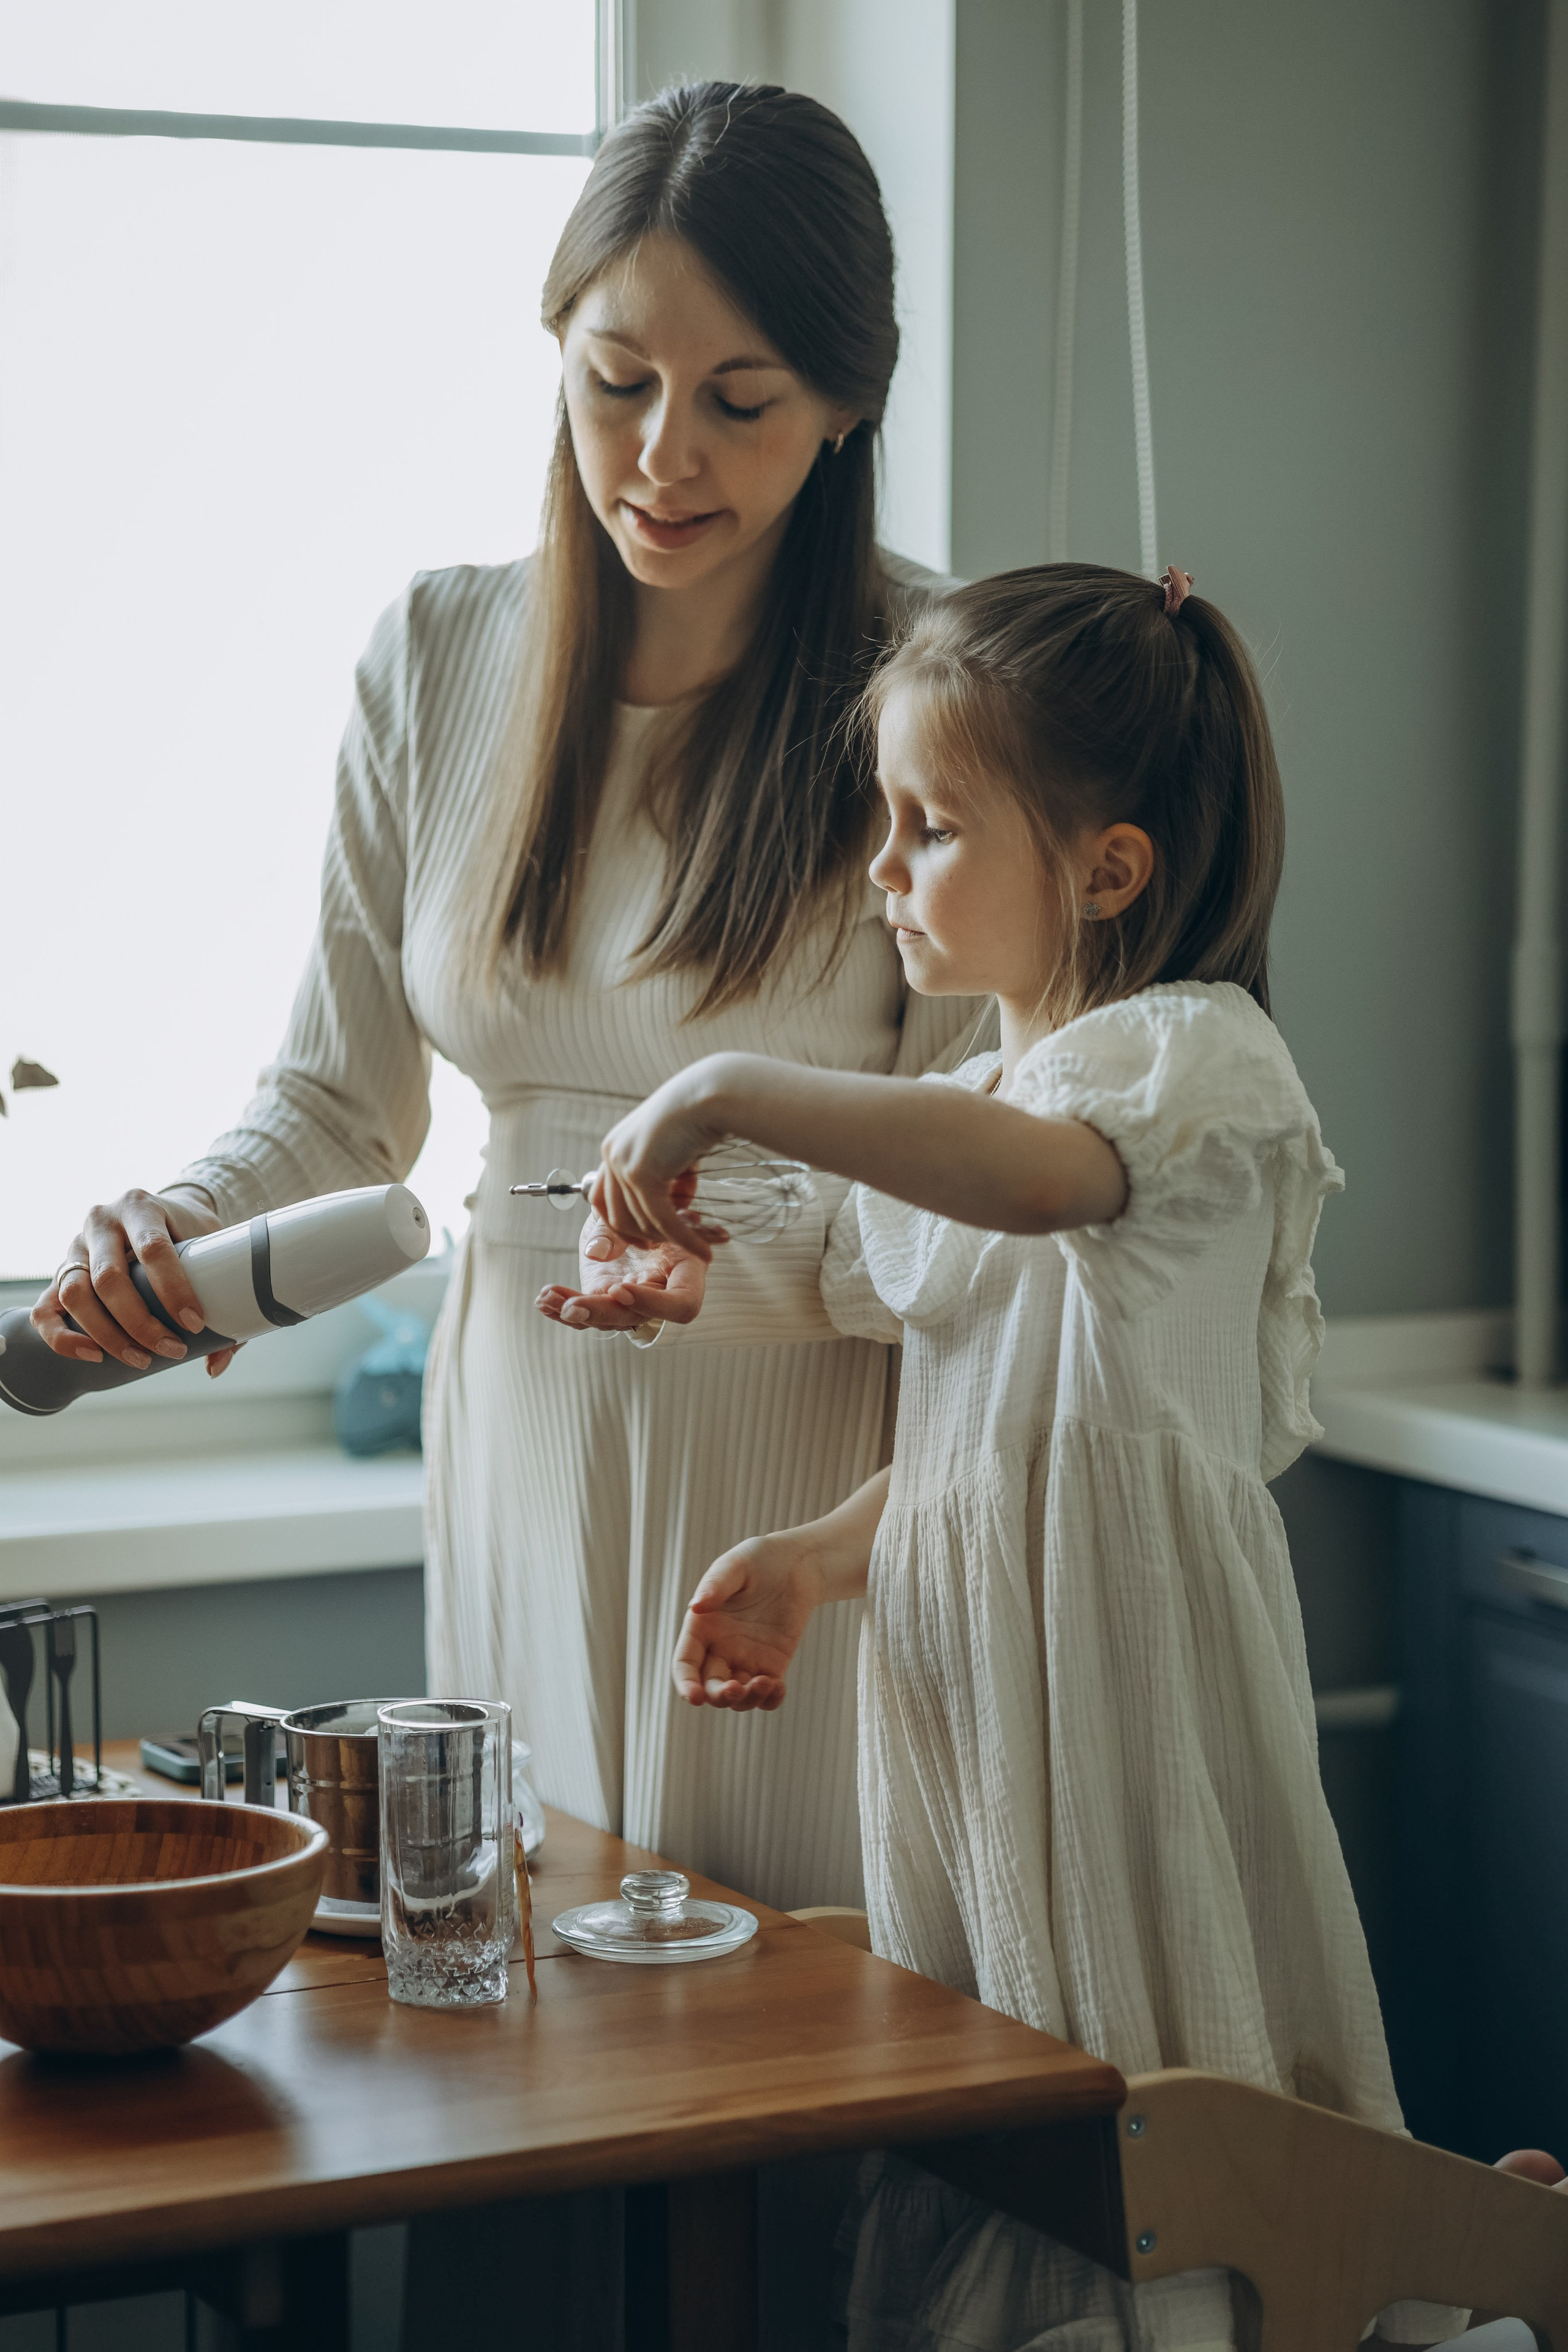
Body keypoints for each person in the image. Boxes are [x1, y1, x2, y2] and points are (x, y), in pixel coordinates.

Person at [30, 81, 984, 1914]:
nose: (663, 458)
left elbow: (972, 1205)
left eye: (740, 402)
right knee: (518, 1956)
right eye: (617, 381)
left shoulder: (938, 694)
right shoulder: (440, 651)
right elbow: (336, 1106)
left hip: (811, 1467)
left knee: (796, 1994)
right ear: (557, 348)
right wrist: (174, 1236)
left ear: (848, 401)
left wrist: (728, 1257)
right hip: (521, 1424)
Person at [559, 562, 1468, 2346]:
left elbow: (1052, 1187)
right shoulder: (979, 1105)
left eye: (931, 827)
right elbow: (1001, 1438)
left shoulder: (1194, 1059)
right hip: (979, 1722)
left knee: (1158, 2079)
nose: (882, 869)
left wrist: (724, 1085)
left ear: (1107, 871)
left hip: (1123, 1711)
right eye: (886, 820)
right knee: (996, 2075)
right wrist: (821, 1554)